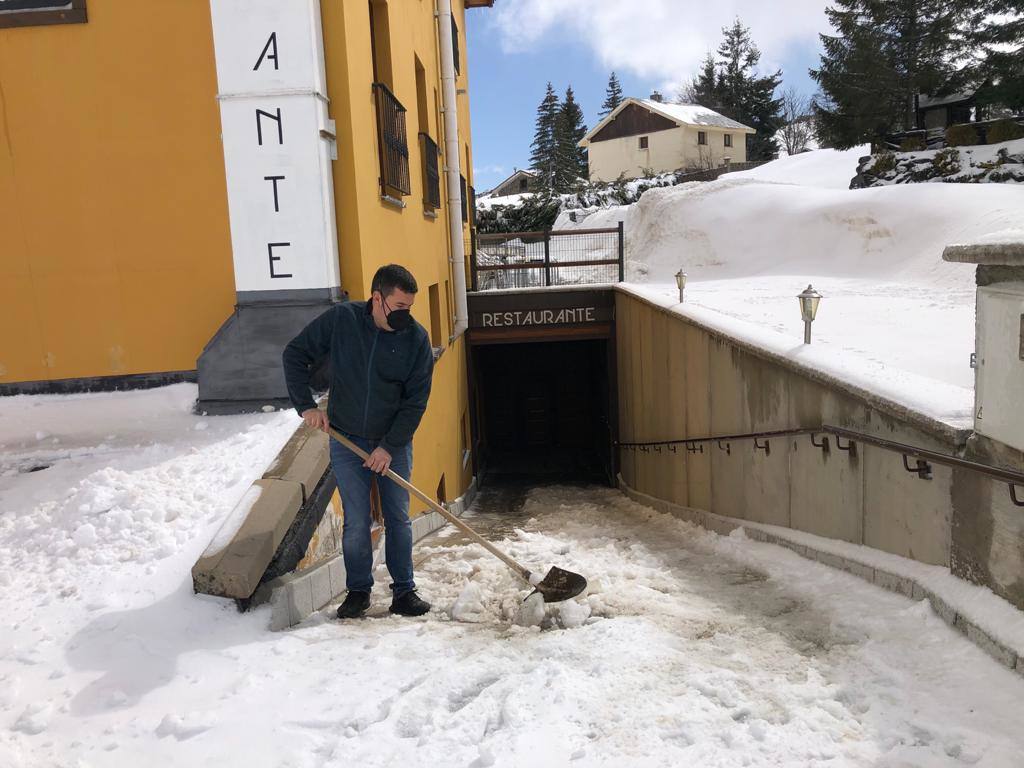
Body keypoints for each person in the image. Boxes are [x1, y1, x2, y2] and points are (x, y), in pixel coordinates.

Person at [282, 264, 434, 619]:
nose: (405, 316)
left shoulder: (416, 340)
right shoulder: (342, 320)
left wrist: (389, 447)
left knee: (398, 518)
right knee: (355, 520)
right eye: (398, 307)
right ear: (376, 299)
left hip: (391, 442)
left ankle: (404, 592)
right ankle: (358, 592)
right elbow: (295, 354)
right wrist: (305, 406)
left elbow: (416, 402)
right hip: (346, 437)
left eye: (409, 308)